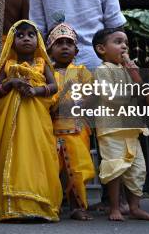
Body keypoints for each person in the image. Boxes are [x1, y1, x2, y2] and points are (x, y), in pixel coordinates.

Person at [0, 20, 62, 221]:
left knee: (36, 155)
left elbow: (54, 87)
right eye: (20, 35)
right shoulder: (8, 65)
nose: (26, 38)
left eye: (30, 34)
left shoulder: (42, 63)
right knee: (13, 156)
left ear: (38, 40)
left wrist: (35, 90)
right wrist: (11, 82)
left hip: (37, 120)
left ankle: (39, 206)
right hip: (10, 123)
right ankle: (11, 208)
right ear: (12, 40)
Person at [92, 29, 149, 222]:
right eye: (118, 42)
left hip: (131, 127)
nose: (124, 47)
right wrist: (135, 87)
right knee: (115, 168)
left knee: (138, 169)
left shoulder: (128, 69)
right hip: (111, 128)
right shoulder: (102, 70)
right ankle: (115, 207)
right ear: (102, 49)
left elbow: (143, 97)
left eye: (125, 43)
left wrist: (136, 78)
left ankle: (135, 207)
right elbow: (110, 96)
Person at [46, 22, 94, 221]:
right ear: (49, 49)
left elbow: (92, 96)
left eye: (69, 43)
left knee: (77, 170)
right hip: (51, 129)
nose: (64, 46)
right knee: (51, 170)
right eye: (59, 43)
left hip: (76, 130)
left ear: (76, 49)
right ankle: (51, 206)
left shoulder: (82, 71)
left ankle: (78, 207)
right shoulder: (46, 73)